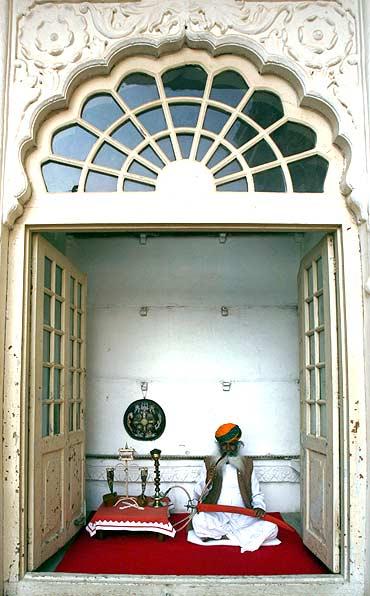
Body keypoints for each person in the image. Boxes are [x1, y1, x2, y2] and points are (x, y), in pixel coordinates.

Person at [188, 423, 281, 553]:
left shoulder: (247, 464)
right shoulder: (209, 463)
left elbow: (256, 494)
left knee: (272, 528)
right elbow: (198, 496)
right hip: (217, 516)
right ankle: (241, 537)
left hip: (242, 516)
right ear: (219, 447)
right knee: (199, 521)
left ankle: (223, 536)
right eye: (224, 445)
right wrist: (207, 480)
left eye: (231, 444)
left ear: (238, 445)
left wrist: (259, 507)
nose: (228, 449)